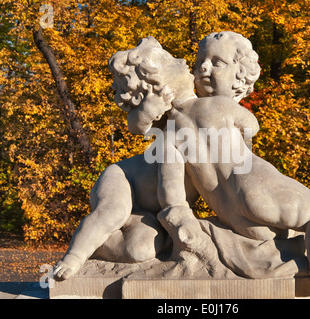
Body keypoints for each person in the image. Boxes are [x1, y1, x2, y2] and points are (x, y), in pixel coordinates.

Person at [112, 36, 310, 294]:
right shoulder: (221, 105)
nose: (202, 68)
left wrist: (176, 211)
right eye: (200, 62)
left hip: (229, 215)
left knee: (275, 236)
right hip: (254, 186)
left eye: (216, 63)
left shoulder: (169, 133)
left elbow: (170, 184)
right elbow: (250, 126)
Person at [53, 32, 261, 280]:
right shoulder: (168, 106)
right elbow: (136, 125)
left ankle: (100, 241)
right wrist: (150, 109)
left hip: (152, 212)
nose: (185, 62)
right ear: (159, 80)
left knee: (140, 249)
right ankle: (75, 256)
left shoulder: (209, 113)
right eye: (174, 62)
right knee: (113, 213)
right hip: (125, 180)